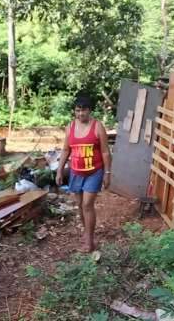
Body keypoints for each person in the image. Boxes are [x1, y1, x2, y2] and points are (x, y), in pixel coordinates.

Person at [56, 95, 111, 252]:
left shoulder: (97, 127)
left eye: (84, 110)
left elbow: (106, 152)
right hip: (76, 172)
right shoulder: (70, 127)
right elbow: (66, 149)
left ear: (90, 111)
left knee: (87, 205)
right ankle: (86, 232)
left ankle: (90, 241)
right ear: (74, 111)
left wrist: (107, 173)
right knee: (80, 205)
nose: (81, 114)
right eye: (78, 110)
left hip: (94, 172)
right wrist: (60, 170)